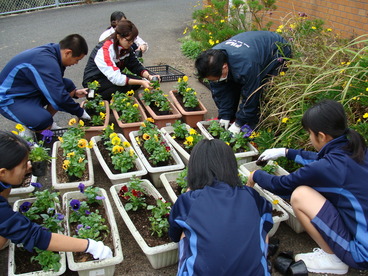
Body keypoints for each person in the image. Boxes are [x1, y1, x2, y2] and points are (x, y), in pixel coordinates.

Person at [247, 100, 368, 274]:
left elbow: (282, 186)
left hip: (362, 253)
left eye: (309, 134)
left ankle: (333, 259)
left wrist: (256, 175)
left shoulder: (329, 167)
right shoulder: (357, 149)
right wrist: (285, 152)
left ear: (322, 136)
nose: (309, 138)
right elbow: (319, 160)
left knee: (300, 195)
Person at [0, 131, 112, 259]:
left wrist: (20, 172)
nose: (28, 167)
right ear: (3, 172)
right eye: (23, 165)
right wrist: (90, 246)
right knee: (3, 236)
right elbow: (35, 236)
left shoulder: (3, 175)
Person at [169, 139, 273, 275]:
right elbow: (267, 221)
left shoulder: (189, 200)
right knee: (262, 226)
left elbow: (174, 234)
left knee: (185, 231)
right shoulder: (251, 195)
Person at [195, 31, 292, 134]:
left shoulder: (247, 66)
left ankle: (255, 125)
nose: (214, 82)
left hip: (276, 50)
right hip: (250, 50)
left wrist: (240, 123)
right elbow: (221, 90)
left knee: (262, 86)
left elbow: (251, 94)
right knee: (228, 82)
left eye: (215, 79)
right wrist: (225, 115)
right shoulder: (212, 59)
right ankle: (232, 118)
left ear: (224, 67)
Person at [0, 34, 91, 135]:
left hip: (27, 91)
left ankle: (45, 125)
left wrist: (75, 93)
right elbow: (59, 98)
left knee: (68, 86)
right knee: (42, 121)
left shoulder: (54, 52)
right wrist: (80, 112)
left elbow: (56, 85)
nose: (76, 63)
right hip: (10, 99)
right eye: (77, 59)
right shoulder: (46, 61)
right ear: (68, 53)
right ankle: (36, 131)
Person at [83, 20, 159, 101]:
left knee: (135, 84)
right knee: (125, 87)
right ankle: (94, 101)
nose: (131, 43)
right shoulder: (105, 49)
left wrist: (149, 76)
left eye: (133, 40)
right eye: (128, 40)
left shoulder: (126, 48)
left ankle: (119, 103)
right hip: (94, 81)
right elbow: (116, 78)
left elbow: (135, 65)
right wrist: (142, 82)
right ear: (118, 36)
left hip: (108, 78)